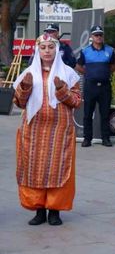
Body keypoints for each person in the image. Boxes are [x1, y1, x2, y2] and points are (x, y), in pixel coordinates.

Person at [13, 33, 81, 226]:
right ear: (38, 50)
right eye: (43, 48)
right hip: (33, 131)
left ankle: (55, 211)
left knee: (58, 169)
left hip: (59, 130)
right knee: (33, 169)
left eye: (51, 47)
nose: (47, 51)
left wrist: (62, 90)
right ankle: (39, 211)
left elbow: (76, 101)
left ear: (57, 49)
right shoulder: (29, 73)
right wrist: (24, 87)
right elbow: (18, 103)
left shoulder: (68, 73)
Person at [76, 25, 115, 147]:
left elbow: (113, 66)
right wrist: (88, 73)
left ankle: (105, 138)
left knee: (105, 113)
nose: (99, 37)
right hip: (90, 86)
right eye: (96, 35)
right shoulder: (85, 51)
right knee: (87, 113)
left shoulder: (109, 50)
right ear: (91, 37)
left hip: (104, 86)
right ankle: (87, 139)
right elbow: (78, 66)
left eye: (100, 35)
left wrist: (105, 73)